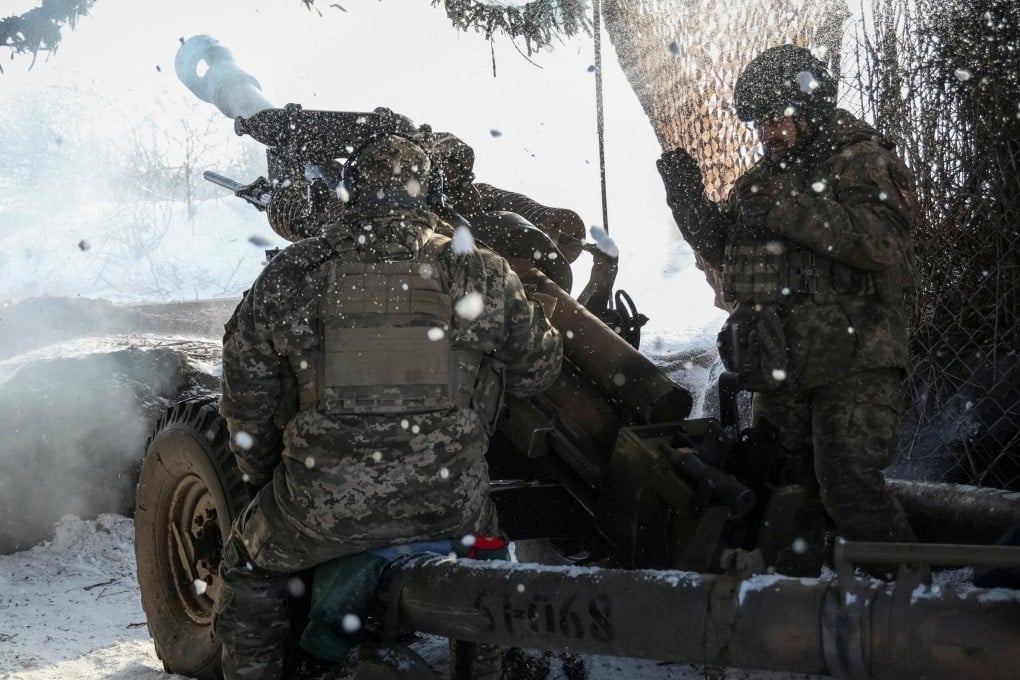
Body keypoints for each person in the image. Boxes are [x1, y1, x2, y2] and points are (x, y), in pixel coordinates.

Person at [213, 133, 563, 679]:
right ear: (427, 194)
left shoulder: (294, 273)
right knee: (486, 574)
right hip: (451, 501)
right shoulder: (481, 271)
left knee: (247, 569)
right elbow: (538, 370)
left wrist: (266, 478)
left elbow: (246, 397)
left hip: (321, 505)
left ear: (352, 194)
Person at [656, 44, 918, 576]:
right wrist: (685, 198)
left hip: (855, 356)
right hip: (783, 359)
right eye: (761, 123)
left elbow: (881, 242)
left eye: (779, 119)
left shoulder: (859, 157)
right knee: (781, 493)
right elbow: (725, 245)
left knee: (849, 489)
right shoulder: (764, 176)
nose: (769, 133)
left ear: (812, 109)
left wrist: (787, 206)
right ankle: (795, 625)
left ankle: (920, 615)